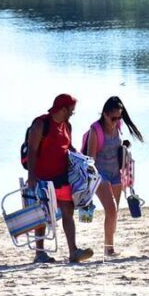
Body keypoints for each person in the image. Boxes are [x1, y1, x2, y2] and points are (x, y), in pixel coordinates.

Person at [26, 93, 94, 264]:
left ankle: (73, 252)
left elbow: (68, 146)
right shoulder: (41, 124)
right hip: (42, 177)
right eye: (71, 110)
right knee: (42, 215)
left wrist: (82, 160)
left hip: (62, 176)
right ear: (63, 109)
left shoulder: (67, 126)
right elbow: (32, 151)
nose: (72, 113)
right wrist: (31, 176)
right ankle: (40, 253)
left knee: (67, 211)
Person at [82, 96, 145, 257]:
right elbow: (90, 160)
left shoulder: (118, 126)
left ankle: (109, 246)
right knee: (111, 210)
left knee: (114, 212)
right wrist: (91, 182)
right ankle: (108, 249)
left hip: (116, 173)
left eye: (119, 117)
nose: (116, 121)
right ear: (104, 114)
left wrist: (124, 147)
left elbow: (117, 146)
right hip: (100, 174)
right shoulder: (95, 130)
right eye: (113, 118)